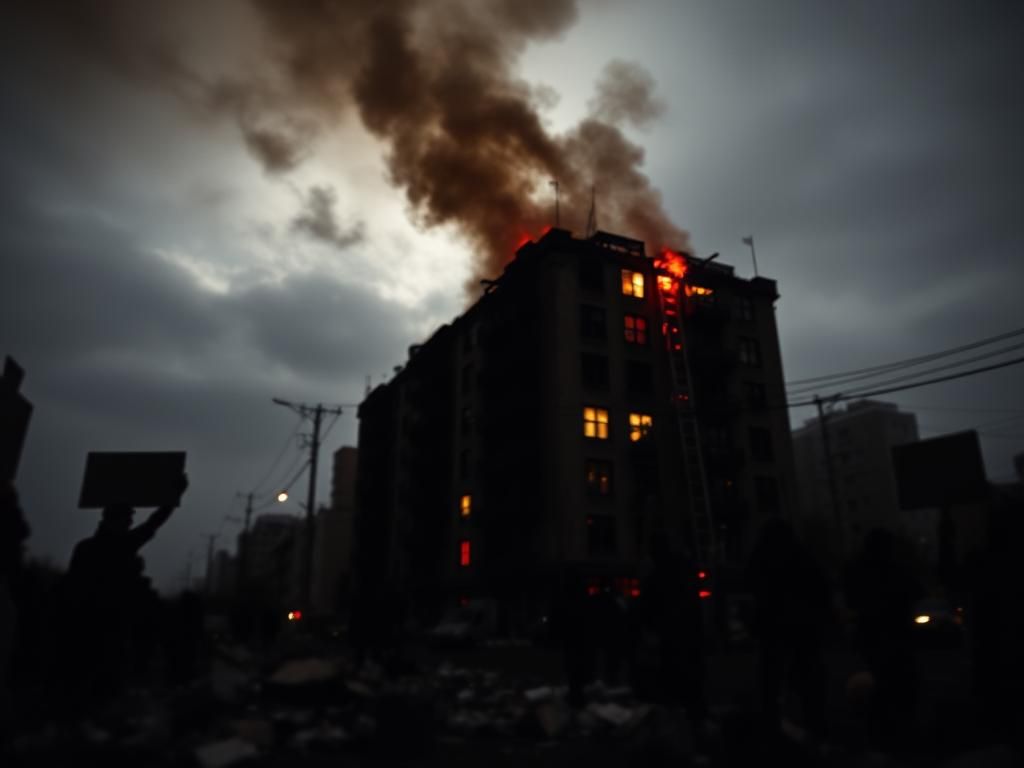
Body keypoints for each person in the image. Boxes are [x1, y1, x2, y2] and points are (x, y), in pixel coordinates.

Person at [59, 473, 188, 710]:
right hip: (102, 627)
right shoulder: (118, 547)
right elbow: (153, 523)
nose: (130, 523)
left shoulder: (87, 548)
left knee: (86, 687)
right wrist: (174, 496)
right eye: (127, 519)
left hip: (88, 627)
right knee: (101, 687)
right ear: (115, 520)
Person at [746, 518, 831, 742]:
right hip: (800, 628)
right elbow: (821, 591)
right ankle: (814, 726)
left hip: (775, 628)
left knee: (772, 680)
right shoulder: (801, 557)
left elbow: (752, 587)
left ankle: (772, 726)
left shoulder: (762, 558)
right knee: (807, 679)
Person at [844, 527, 924, 752]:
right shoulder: (895, 571)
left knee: (885, 685)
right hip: (895, 638)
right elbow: (916, 591)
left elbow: (852, 600)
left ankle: (884, 734)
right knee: (901, 685)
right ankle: (900, 734)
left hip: (876, 639)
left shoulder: (861, 572)